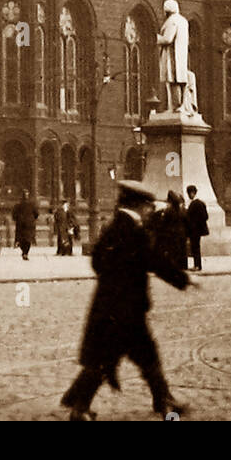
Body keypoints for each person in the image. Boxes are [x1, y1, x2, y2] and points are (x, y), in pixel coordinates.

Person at [60, 180, 192, 421]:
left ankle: (162, 400)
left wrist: (111, 281)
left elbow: (97, 261)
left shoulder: (115, 227)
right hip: (126, 311)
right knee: (134, 358)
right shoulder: (133, 230)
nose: (151, 209)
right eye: (148, 205)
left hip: (112, 308)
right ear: (139, 205)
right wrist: (181, 278)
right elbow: (152, 260)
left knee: (116, 358)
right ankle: (81, 408)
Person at [150, 191, 189, 271]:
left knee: (173, 251)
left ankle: (174, 267)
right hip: (182, 233)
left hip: (171, 234)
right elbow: (187, 222)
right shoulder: (182, 210)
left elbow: (164, 223)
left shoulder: (168, 211)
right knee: (182, 250)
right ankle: (183, 266)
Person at [184, 185, 209, 271]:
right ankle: (197, 265)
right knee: (195, 247)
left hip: (194, 230)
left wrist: (194, 224)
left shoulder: (195, 204)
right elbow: (206, 216)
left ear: (192, 193)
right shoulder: (200, 203)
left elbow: (201, 217)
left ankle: (197, 265)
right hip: (197, 230)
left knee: (195, 247)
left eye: (189, 193)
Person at [12, 190, 40, 260]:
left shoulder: (18, 205)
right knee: (28, 239)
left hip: (20, 224)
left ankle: (24, 252)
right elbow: (36, 213)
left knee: (21, 239)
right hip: (29, 224)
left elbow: (14, 215)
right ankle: (25, 252)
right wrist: (33, 219)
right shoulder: (32, 204)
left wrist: (17, 219)